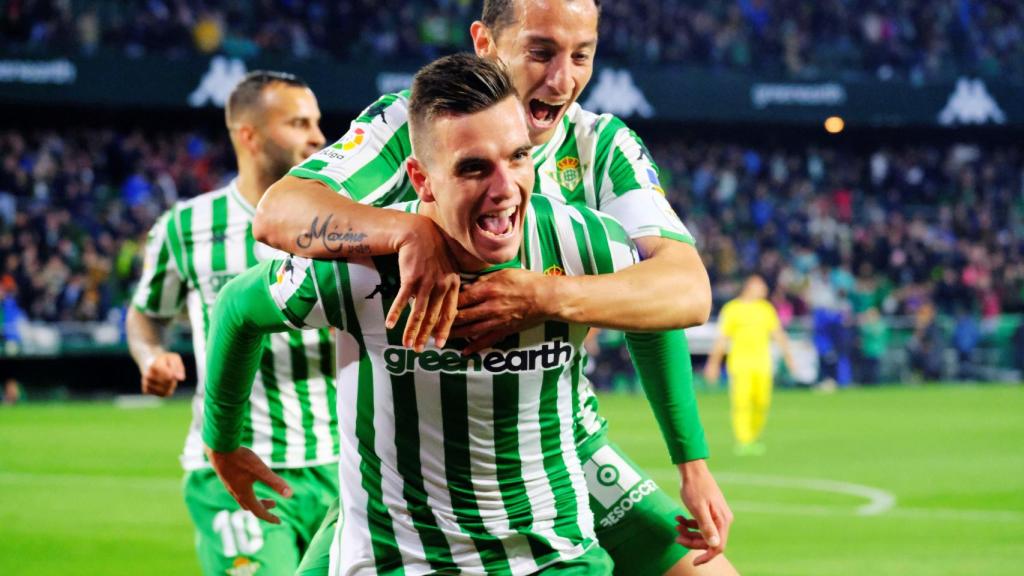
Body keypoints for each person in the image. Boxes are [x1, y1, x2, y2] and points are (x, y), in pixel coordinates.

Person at [252, 1, 735, 573]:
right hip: (405, 466)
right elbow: (278, 212)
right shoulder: (410, 125)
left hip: (559, 452)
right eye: (541, 52)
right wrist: (407, 231)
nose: (562, 79)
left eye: (581, 55)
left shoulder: (601, 147)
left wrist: (691, 460)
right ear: (485, 43)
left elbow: (671, 291)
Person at [203, 54, 641, 574]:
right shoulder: (361, 270)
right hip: (398, 562)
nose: (504, 190)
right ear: (422, 179)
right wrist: (222, 442)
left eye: (518, 157)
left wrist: (548, 298)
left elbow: (675, 297)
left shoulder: (575, 240)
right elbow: (236, 307)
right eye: (474, 168)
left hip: (553, 558)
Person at [126, 71, 338, 576]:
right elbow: (144, 315)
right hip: (234, 461)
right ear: (249, 134)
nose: (318, 137)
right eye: (299, 123)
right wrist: (150, 356)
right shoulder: (187, 226)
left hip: (343, 465)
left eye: (317, 122)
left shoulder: (347, 219)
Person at [704, 275, 796, 455]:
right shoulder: (732, 309)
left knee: (762, 402)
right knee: (742, 402)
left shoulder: (766, 309)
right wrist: (713, 364)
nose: (764, 290)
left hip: (762, 364)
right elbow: (722, 338)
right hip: (740, 364)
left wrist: (789, 357)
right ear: (749, 287)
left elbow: (778, 334)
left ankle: (754, 436)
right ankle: (744, 440)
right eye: (760, 286)